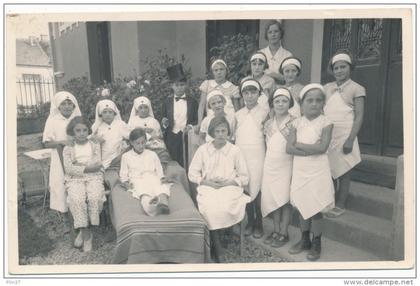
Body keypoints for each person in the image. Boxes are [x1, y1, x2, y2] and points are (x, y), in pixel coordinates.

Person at [188, 116, 250, 262]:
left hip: (229, 187)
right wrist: (206, 182)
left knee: (226, 205)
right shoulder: (203, 150)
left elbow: (244, 177)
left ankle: (222, 234)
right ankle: (217, 246)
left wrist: (229, 182)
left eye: (224, 131)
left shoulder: (235, 150)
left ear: (228, 132)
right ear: (212, 133)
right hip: (209, 186)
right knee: (210, 207)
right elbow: (192, 173)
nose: (221, 134)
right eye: (217, 131)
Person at [286, 84, 335, 261]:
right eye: (310, 100)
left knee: (316, 208)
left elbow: (322, 147)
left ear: (323, 103)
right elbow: (288, 148)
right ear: (301, 103)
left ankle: (316, 242)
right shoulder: (295, 123)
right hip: (301, 169)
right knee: (301, 205)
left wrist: (299, 145)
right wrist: (310, 149)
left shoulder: (326, 122)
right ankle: (304, 238)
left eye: (318, 100)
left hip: (318, 170)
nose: (314, 104)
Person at [323, 52, 366, 218]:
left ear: (350, 68)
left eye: (343, 67)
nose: (339, 70)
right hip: (330, 134)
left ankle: (341, 204)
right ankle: (330, 201)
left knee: (345, 170)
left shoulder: (357, 88)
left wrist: (350, 139)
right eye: (336, 68)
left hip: (346, 134)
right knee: (330, 169)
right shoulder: (327, 88)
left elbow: (359, 116)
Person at [62, 116, 105, 252]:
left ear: (88, 131)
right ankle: (87, 237)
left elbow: (97, 163)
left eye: (84, 130)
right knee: (77, 199)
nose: (81, 133)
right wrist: (87, 167)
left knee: (95, 197)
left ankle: (84, 229)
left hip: (94, 177)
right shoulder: (68, 148)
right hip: (75, 178)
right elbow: (69, 168)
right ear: (72, 132)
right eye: (78, 130)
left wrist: (80, 165)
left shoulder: (94, 144)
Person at [261, 88, 295, 248]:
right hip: (270, 164)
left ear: (290, 103)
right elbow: (266, 144)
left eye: (284, 101)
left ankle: (284, 232)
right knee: (273, 198)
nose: (280, 104)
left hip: (286, 164)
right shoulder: (268, 123)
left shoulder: (295, 122)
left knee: (284, 199)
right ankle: (275, 230)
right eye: (277, 101)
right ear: (272, 104)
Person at [234, 79, 269, 239]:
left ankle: (259, 223)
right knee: (245, 186)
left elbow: (268, 136)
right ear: (242, 95)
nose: (249, 96)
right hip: (242, 154)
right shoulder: (238, 114)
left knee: (258, 187)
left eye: (253, 92)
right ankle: (250, 221)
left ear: (259, 94)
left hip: (258, 154)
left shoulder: (265, 112)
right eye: (246, 93)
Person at [42, 91, 81, 227]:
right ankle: (66, 220)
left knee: (78, 185)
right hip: (59, 160)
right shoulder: (53, 121)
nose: (67, 106)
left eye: (69, 103)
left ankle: (80, 217)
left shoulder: (77, 118)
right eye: (63, 104)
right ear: (58, 106)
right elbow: (46, 142)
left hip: (77, 157)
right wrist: (61, 142)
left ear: (74, 105)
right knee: (61, 186)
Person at [119, 128, 173, 216]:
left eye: (143, 142)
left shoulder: (152, 154)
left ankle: (163, 205)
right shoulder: (126, 156)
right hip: (137, 179)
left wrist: (162, 178)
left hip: (152, 177)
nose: (141, 146)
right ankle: (150, 207)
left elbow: (159, 169)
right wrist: (126, 183)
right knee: (143, 191)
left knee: (161, 188)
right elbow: (123, 174)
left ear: (146, 141)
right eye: (138, 143)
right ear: (132, 143)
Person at [161, 63, 198, 167]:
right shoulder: (166, 102)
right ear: (172, 86)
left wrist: (190, 127)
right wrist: (164, 123)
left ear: (186, 85)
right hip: (171, 136)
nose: (179, 88)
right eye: (176, 85)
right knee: (173, 162)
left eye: (182, 85)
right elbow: (163, 118)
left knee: (187, 160)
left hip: (187, 136)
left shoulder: (193, 101)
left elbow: (197, 119)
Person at [91, 99, 130, 190]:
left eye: (110, 112)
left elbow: (131, 135)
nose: (107, 114)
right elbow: (91, 144)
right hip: (105, 161)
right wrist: (96, 140)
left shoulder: (120, 124)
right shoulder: (97, 127)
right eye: (104, 112)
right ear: (100, 114)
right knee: (112, 180)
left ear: (114, 113)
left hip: (119, 158)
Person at [197, 59, 240, 127]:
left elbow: (237, 110)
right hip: (212, 122)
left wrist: (237, 124)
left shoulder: (233, 87)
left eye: (221, 69)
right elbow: (202, 105)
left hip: (229, 122)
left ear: (226, 71)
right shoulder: (207, 84)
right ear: (213, 72)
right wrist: (200, 122)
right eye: (216, 70)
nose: (219, 72)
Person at [259, 20, 293, 84]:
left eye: (276, 31)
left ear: (281, 33)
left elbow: (290, 78)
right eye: (270, 32)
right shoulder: (261, 54)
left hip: (281, 90)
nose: (273, 34)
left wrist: (275, 75)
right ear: (266, 35)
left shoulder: (287, 55)